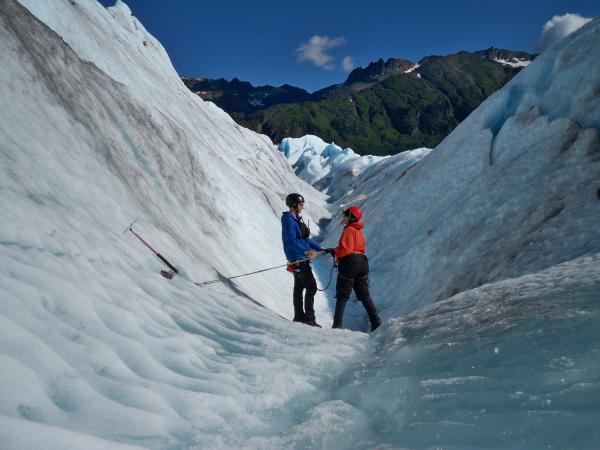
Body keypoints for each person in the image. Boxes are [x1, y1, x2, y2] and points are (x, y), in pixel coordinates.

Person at [329, 206, 382, 332]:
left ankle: (336, 327)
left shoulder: (349, 230)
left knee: (342, 295)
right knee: (364, 294)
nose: (343, 217)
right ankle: (376, 321)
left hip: (350, 263)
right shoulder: (358, 231)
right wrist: (336, 251)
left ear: (351, 217)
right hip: (362, 263)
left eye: (345, 215)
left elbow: (346, 250)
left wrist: (335, 252)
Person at [281, 193, 322, 327]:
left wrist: (320, 248)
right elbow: (292, 241)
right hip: (297, 258)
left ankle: (299, 317)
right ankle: (309, 319)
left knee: (299, 288)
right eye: (301, 204)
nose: (303, 207)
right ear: (294, 204)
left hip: (298, 258)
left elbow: (304, 239)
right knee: (311, 287)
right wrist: (306, 251)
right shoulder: (288, 220)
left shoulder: (295, 220)